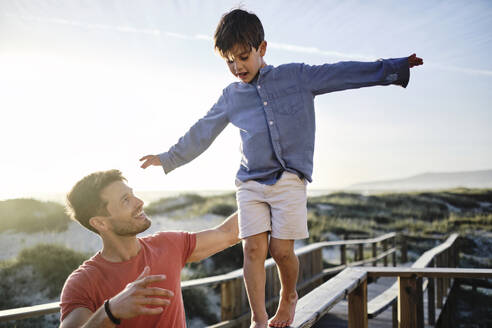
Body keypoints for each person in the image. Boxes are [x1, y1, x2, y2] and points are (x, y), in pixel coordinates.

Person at [139, 8, 423, 328]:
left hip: (289, 178)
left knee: (281, 251)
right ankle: (259, 320)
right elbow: (202, 132)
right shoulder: (231, 97)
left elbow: (341, 73)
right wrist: (168, 157)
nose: (237, 67)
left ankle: (289, 296)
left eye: (243, 57)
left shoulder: (296, 77)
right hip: (250, 181)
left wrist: (395, 68)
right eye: (229, 60)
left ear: (262, 48)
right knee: (253, 249)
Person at [59, 169, 239, 328]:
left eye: (132, 194)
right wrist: (110, 311)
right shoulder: (83, 282)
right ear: (100, 223)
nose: (140, 202)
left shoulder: (168, 244)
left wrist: (264, 195)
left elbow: (228, 233)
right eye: (125, 200)